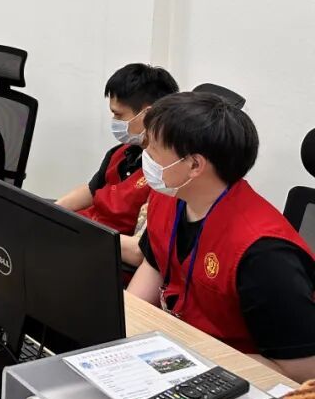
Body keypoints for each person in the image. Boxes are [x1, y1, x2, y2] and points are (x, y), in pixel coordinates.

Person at [128, 92, 315, 381]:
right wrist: (124, 330)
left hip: (237, 377)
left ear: (194, 165)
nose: (146, 156)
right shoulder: (170, 197)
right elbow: (153, 266)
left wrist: (193, 353)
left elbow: (304, 370)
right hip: (178, 354)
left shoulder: (263, 253)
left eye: (153, 149)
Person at [55, 63, 179, 266]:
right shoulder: (121, 152)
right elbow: (91, 190)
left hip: (105, 255)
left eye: (119, 115)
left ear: (148, 115)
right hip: (82, 234)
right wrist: (52, 211)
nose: (114, 120)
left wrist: (78, 231)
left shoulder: (166, 175)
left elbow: (140, 252)